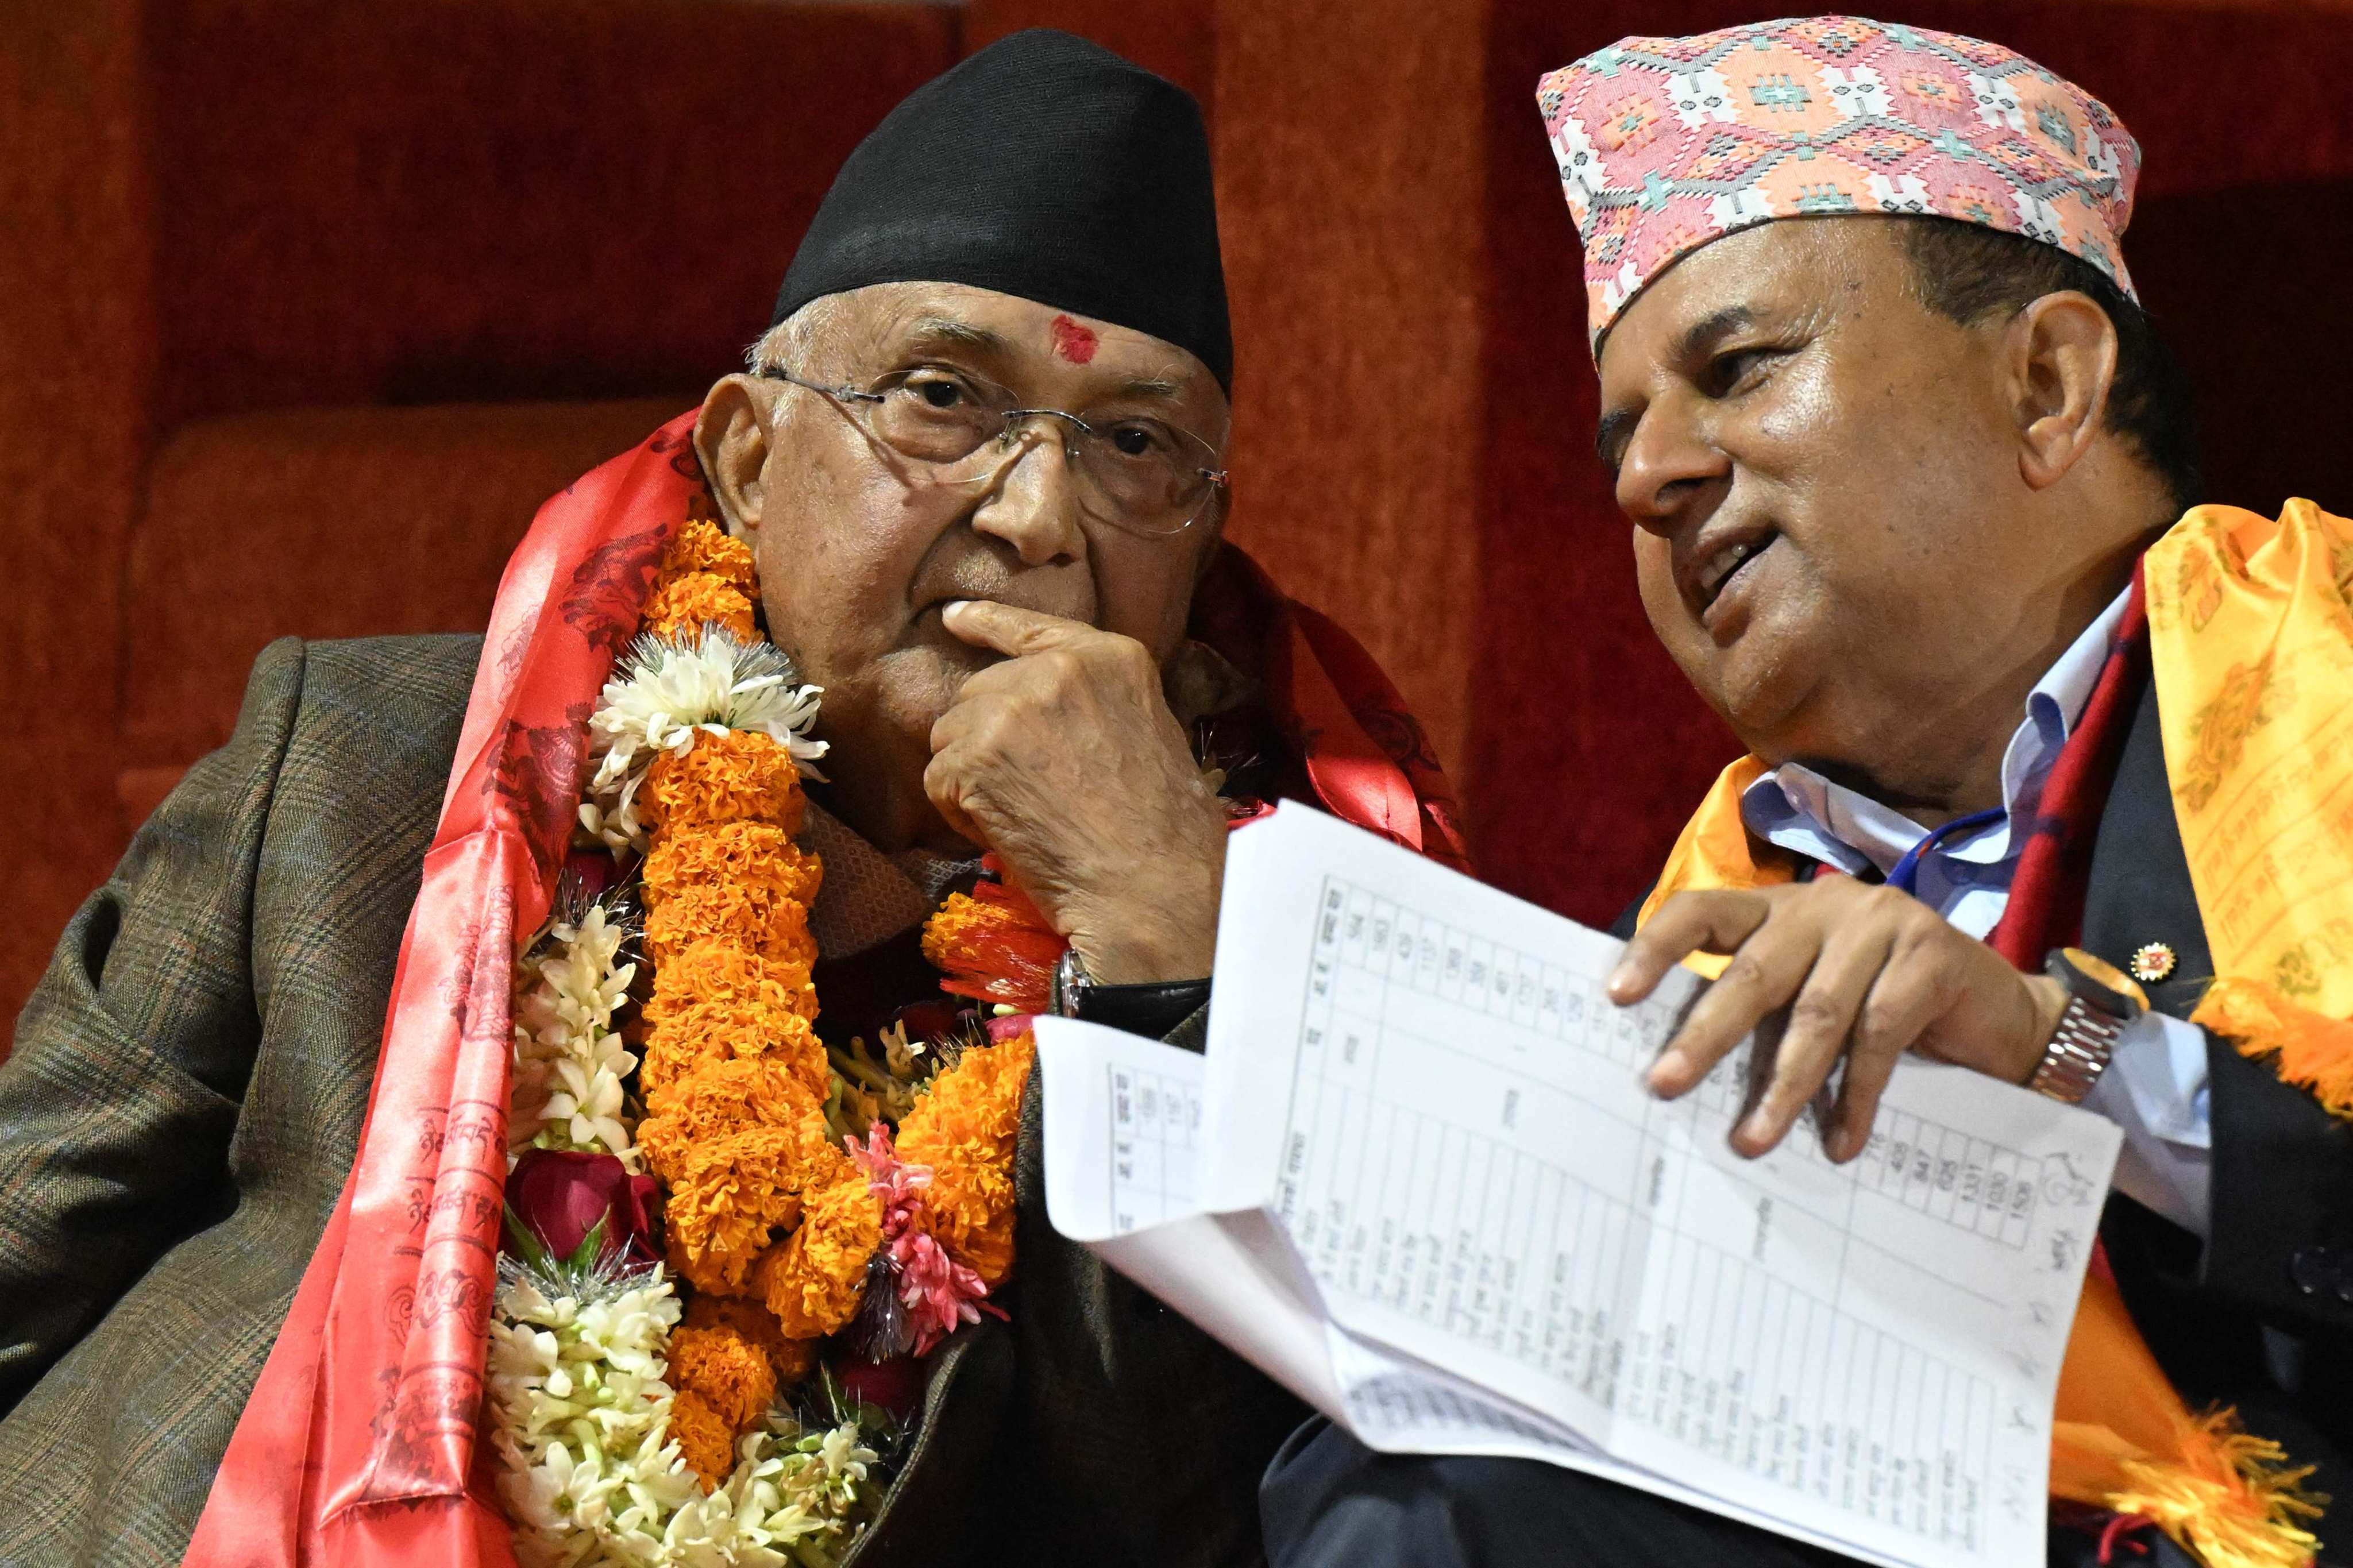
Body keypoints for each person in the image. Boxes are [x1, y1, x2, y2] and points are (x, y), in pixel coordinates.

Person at [0, 30, 1465, 1568]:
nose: (1039, 516)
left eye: (1137, 443)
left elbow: (1170, 1531)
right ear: (750, 457)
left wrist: (1163, 942)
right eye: (945, 398)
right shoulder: (375, 765)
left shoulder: (1303, 948)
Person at [1262, 16, 2352, 1568]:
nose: (1651, 481)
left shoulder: (2328, 684)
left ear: (2048, 383)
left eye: (1740, 367)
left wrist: (2066, 1053)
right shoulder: (1706, 922)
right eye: (1621, 444)